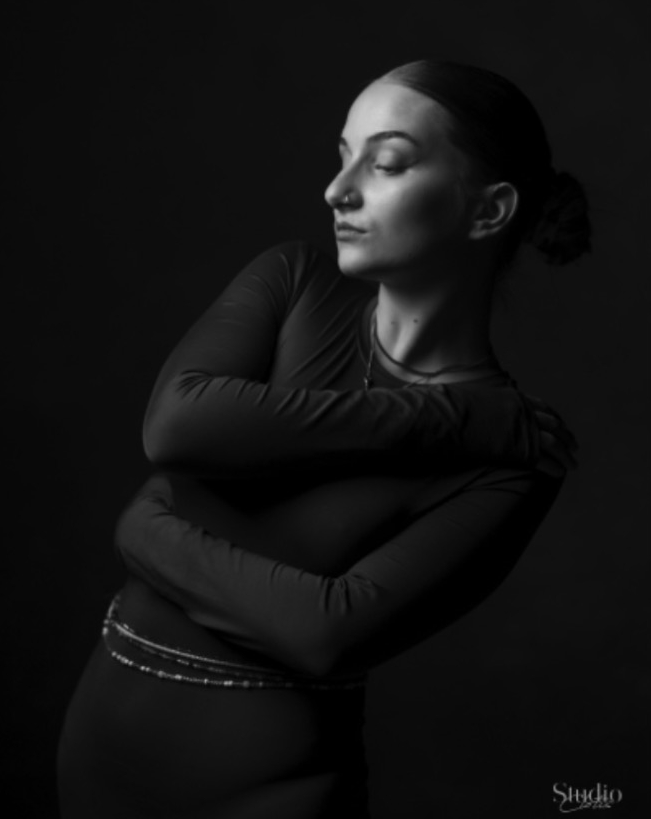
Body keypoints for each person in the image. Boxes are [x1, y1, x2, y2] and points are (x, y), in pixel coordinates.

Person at [57, 60, 590, 819]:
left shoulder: (522, 457)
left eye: (387, 163)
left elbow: (327, 632)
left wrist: (146, 531)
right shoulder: (295, 283)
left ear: (488, 210)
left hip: (271, 794)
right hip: (95, 762)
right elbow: (177, 426)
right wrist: (452, 420)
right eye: (343, 156)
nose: (338, 190)